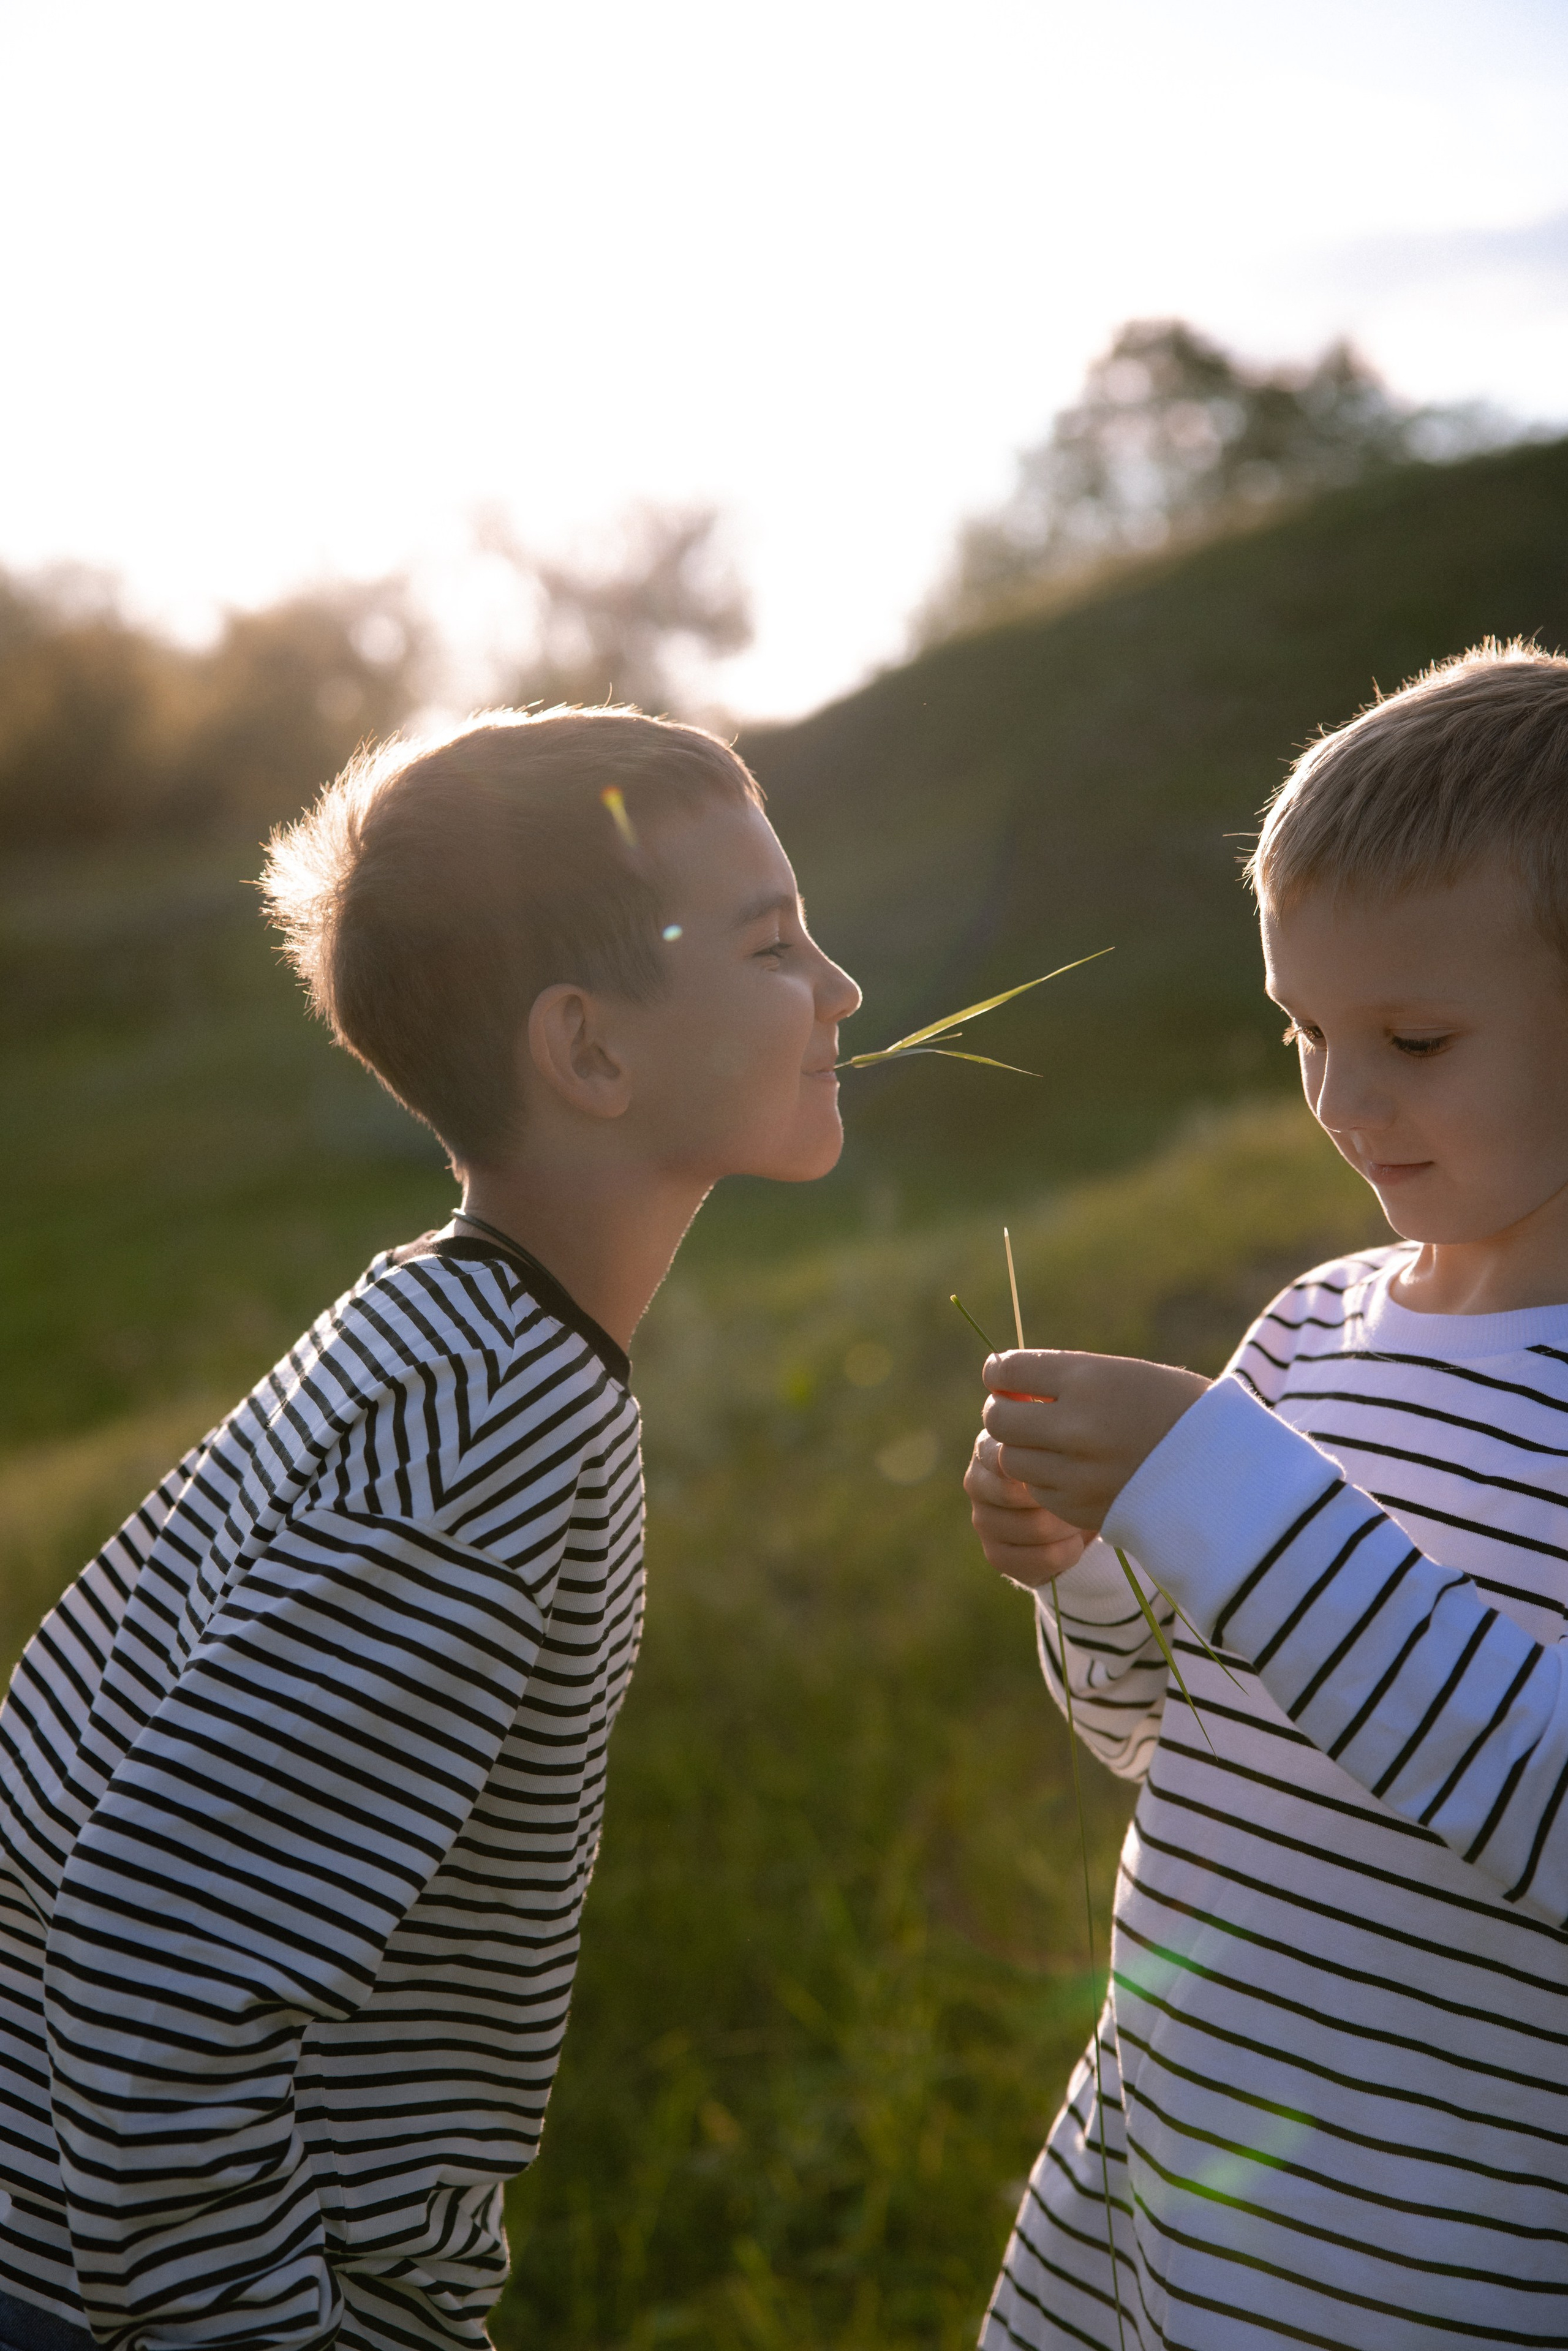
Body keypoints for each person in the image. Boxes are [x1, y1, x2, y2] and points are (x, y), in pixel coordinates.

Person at [0, 709, 859, 2351]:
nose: (842, 990)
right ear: (589, 1052)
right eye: (771, 944)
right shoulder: (497, 1420)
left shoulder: (431, 1338)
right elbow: (154, 1966)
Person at [964, 643, 1568, 2350]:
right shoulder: (1311, 1329)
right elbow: (1161, 1729)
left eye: (1418, 1039)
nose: (1343, 1100)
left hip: (1416, 2271)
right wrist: (1091, 1573)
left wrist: (1223, 1489)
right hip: (1143, 2205)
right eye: (1303, 1032)